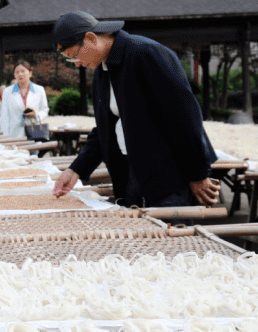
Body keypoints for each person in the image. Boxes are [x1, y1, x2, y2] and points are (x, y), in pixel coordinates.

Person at [51, 11, 220, 209]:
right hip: (131, 173)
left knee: (173, 236)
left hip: (168, 176)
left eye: (74, 56)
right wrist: (76, 170)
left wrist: (197, 174)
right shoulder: (101, 73)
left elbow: (184, 117)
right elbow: (105, 130)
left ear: (91, 38)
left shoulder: (146, 53)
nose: (77, 64)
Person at [0, 62, 50, 138]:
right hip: (14, 135)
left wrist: (36, 115)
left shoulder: (39, 90)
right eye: (17, 72)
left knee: (34, 149)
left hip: (34, 133)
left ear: (30, 73)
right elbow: (4, 117)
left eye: (23, 71)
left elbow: (45, 110)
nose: (20, 74)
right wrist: (4, 137)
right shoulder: (7, 92)